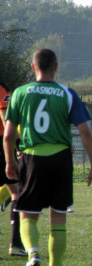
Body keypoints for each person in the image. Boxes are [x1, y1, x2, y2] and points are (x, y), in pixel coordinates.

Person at [3, 48, 92, 266]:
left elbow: (8, 135)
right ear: (56, 68)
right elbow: (85, 131)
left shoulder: (20, 93)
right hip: (61, 159)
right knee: (58, 218)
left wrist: (10, 161)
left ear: (33, 67)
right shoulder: (68, 94)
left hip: (31, 158)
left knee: (27, 214)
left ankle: (33, 253)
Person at [0, 81, 26, 257]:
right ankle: (16, 244)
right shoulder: (1, 88)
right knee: (16, 192)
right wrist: (19, 144)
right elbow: (4, 116)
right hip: (0, 144)